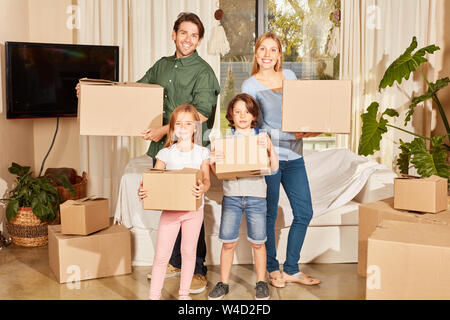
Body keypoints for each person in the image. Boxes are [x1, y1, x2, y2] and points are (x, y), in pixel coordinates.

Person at [76, 12, 219, 293]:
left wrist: (165, 130)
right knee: (171, 204)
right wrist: (91, 93)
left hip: (189, 150)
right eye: (183, 33)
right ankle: (176, 262)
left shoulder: (204, 72)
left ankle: (198, 268)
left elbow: (201, 115)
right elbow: (134, 93)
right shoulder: (161, 66)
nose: (188, 39)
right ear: (174, 34)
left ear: (199, 39)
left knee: (191, 203)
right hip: (162, 150)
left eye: (194, 35)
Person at [241, 32, 321, 288]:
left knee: (304, 212)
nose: (267, 54)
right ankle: (272, 268)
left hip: (295, 156)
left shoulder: (291, 77)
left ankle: (291, 269)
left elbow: (302, 113)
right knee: (268, 214)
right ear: (256, 53)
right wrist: (289, 133)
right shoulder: (250, 86)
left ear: (279, 55)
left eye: (272, 50)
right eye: (262, 49)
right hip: (269, 158)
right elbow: (252, 128)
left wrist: (310, 127)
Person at [208, 93, 279, 300]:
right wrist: (213, 160)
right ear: (230, 114)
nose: (242, 116)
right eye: (237, 111)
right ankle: (223, 283)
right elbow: (218, 174)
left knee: (258, 242)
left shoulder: (261, 139)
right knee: (228, 242)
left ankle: (260, 282)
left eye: (246, 112)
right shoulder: (225, 141)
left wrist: (270, 148)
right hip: (232, 197)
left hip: (257, 197)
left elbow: (273, 168)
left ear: (253, 115)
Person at [138, 104, 211, 300]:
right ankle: (154, 295)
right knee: (162, 255)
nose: (183, 127)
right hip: (170, 213)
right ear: (172, 127)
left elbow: (206, 180)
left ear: (196, 127)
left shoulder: (202, 153)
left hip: (193, 213)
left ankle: (184, 294)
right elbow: (152, 179)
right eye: (178, 123)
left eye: (188, 123)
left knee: (188, 253)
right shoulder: (165, 154)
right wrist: (143, 189)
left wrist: (202, 188)